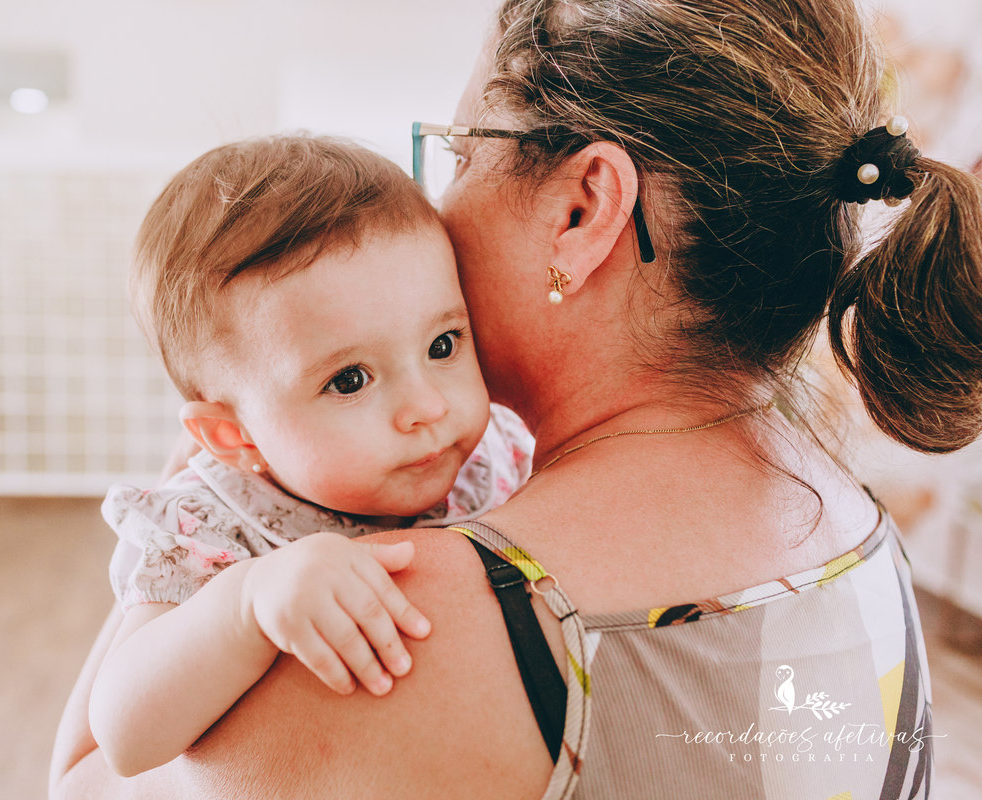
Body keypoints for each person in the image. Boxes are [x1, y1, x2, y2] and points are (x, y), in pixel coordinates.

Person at [52, 0, 981, 796]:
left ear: (582, 211)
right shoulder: (849, 515)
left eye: (459, 156)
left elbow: (91, 778)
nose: (441, 213)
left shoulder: (411, 623)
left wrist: (195, 512)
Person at [87, 135, 535, 777]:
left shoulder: (496, 454)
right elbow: (125, 737)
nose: (428, 407)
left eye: (443, 344)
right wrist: (245, 606)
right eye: (349, 380)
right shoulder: (206, 530)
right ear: (235, 437)